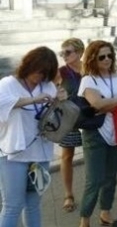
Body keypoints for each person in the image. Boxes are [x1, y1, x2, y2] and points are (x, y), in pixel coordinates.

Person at [0, 47, 59, 227]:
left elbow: (56, 118)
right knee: (12, 205)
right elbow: (3, 104)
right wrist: (33, 100)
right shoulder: (8, 84)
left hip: (40, 154)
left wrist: (59, 104)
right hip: (13, 154)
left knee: (33, 205)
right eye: (39, 71)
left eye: (46, 73)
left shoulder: (49, 86)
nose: (40, 76)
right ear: (29, 64)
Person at [77, 40, 117, 227]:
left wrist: (115, 104)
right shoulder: (88, 80)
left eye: (110, 55)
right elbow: (96, 104)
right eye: (102, 56)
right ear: (93, 58)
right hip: (95, 133)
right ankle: (84, 219)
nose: (107, 59)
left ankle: (105, 213)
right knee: (94, 180)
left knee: (110, 177)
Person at [57, 38, 85, 212]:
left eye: (68, 52)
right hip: (69, 117)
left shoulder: (90, 68)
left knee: (93, 153)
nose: (64, 56)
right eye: (62, 52)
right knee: (67, 155)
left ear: (80, 53)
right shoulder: (61, 72)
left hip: (91, 115)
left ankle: (94, 190)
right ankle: (68, 195)